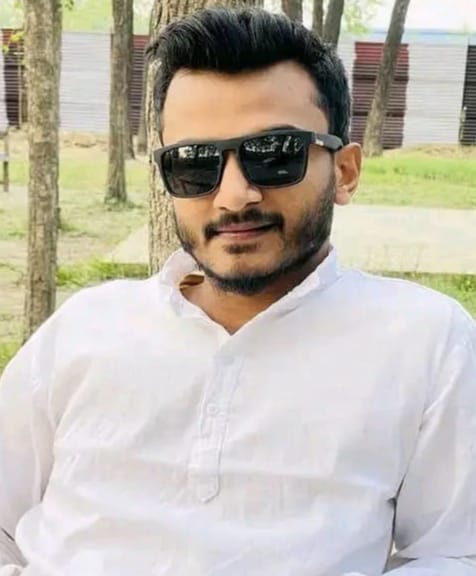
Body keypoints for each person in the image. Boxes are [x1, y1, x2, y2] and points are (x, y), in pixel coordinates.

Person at [0, 7, 475, 576]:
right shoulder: (86, 327)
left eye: (275, 154)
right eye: (194, 163)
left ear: (345, 172)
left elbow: (455, 552)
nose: (233, 196)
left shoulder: (424, 341)